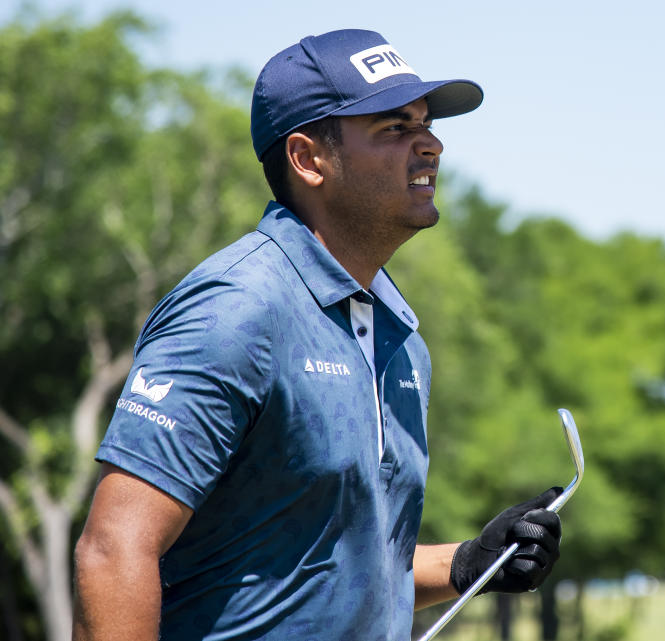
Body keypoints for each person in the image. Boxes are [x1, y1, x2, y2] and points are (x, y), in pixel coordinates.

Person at [72, 29, 562, 641]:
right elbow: (114, 548)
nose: (431, 145)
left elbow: (334, 565)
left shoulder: (401, 336)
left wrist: (464, 564)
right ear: (308, 159)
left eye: (427, 124)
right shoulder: (236, 309)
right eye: (394, 128)